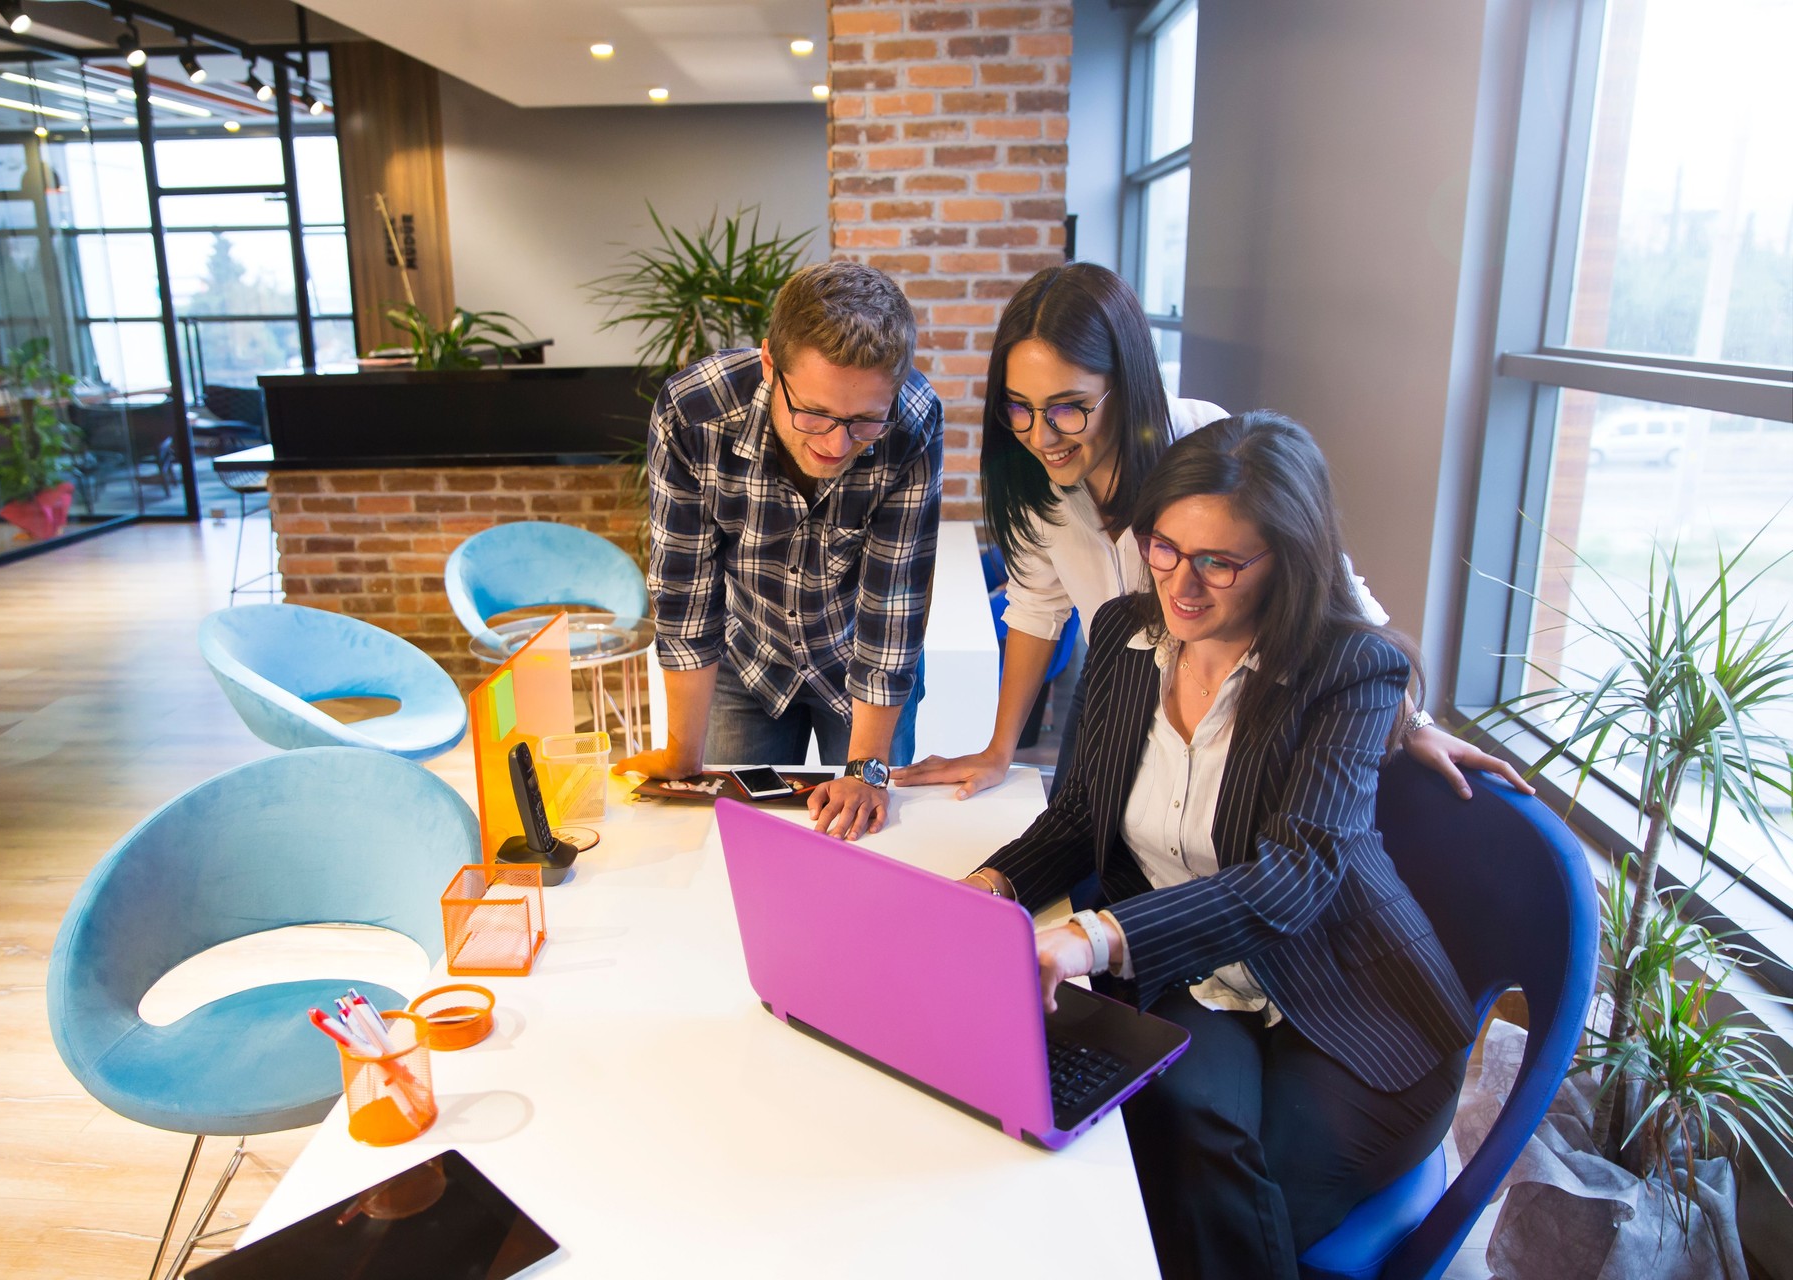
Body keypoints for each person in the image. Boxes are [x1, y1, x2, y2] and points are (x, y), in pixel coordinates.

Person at [964, 412, 1476, 1279]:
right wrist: (988, 887)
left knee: (1211, 1200)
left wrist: (1094, 937)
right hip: (1196, 965)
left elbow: (1295, 878)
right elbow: (1078, 813)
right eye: (1165, 547)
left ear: (1292, 561)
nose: (1183, 586)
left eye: (1220, 562)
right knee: (1160, 1152)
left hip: (1349, 993)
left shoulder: (1350, 669)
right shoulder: (1128, 637)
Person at [894, 263, 1528, 802]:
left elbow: (1330, 584)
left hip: (1235, 709)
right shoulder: (1038, 487)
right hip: (1123, 698)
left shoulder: (1208, 444)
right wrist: (999, 750)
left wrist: (1410, 718)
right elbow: (1036, 609)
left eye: (1069, 407)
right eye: (1020, 408)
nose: (1040, 435)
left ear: (1126, 381)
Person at [614, 262, 943, 841]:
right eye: (813, 413)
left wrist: (867, 769)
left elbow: (893, 606)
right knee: (735, 843)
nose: (836, 444)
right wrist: (680, 757)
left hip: (861, 667)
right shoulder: (695, 412)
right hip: (749, 662)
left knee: (871, 841)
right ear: (770, 364)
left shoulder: (913, 423)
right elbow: (687, 598)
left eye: (865, 421)